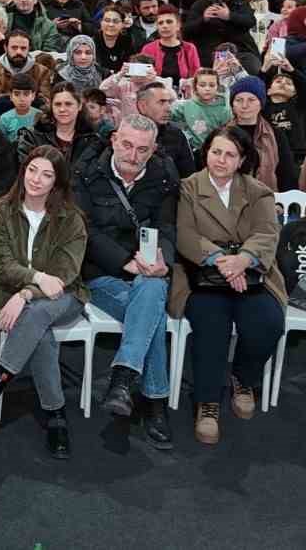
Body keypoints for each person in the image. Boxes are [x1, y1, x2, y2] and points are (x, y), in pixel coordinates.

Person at [0, 146, 88, 459]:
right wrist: (34, 280)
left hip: (64, 296)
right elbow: (1, 264)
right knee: (41, 334)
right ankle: (57, 414)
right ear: (23, 171)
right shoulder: (2, 210)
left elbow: (65, 274)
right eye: (32, 170)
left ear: (57, 182)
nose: (37, 179)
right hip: (8, 295)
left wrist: (26, 293)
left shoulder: (72, 218)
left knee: (36, 313)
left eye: (47, 174)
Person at [172, 125, 285, 446]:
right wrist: (224, 260)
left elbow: (267, 233)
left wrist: (244, 259)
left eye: (230, 154)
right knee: (211, 325)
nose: (221, 160)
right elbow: (185, 234)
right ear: (206, 152)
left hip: (251, 272)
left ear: (242, 159)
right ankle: (207, 403)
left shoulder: (257, 191)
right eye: (216, 151)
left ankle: (243, 378)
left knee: (268, 323)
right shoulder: (188, 188)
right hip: (201, 274)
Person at [72, 114, 176, 449]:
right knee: (154, 313)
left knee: (154, 288)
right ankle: (155, 401)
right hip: (101, 274)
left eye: (142, 150)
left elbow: (170, 228)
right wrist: (125, 261)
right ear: (115, 139)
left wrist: (164, 259)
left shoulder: (163, 178)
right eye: (127, 145)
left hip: (148, 272)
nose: (133, 155)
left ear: (153, 150)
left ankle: (123, 378)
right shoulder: (86, 173)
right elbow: (84, 231)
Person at [226, 76, 296, 191]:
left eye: (251, 100)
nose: (244, 105)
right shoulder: (222, 134)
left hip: (268, 199)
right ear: (232, 105)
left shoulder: (275, 135)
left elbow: (286, 174)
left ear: (261, 103)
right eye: (239, 100)